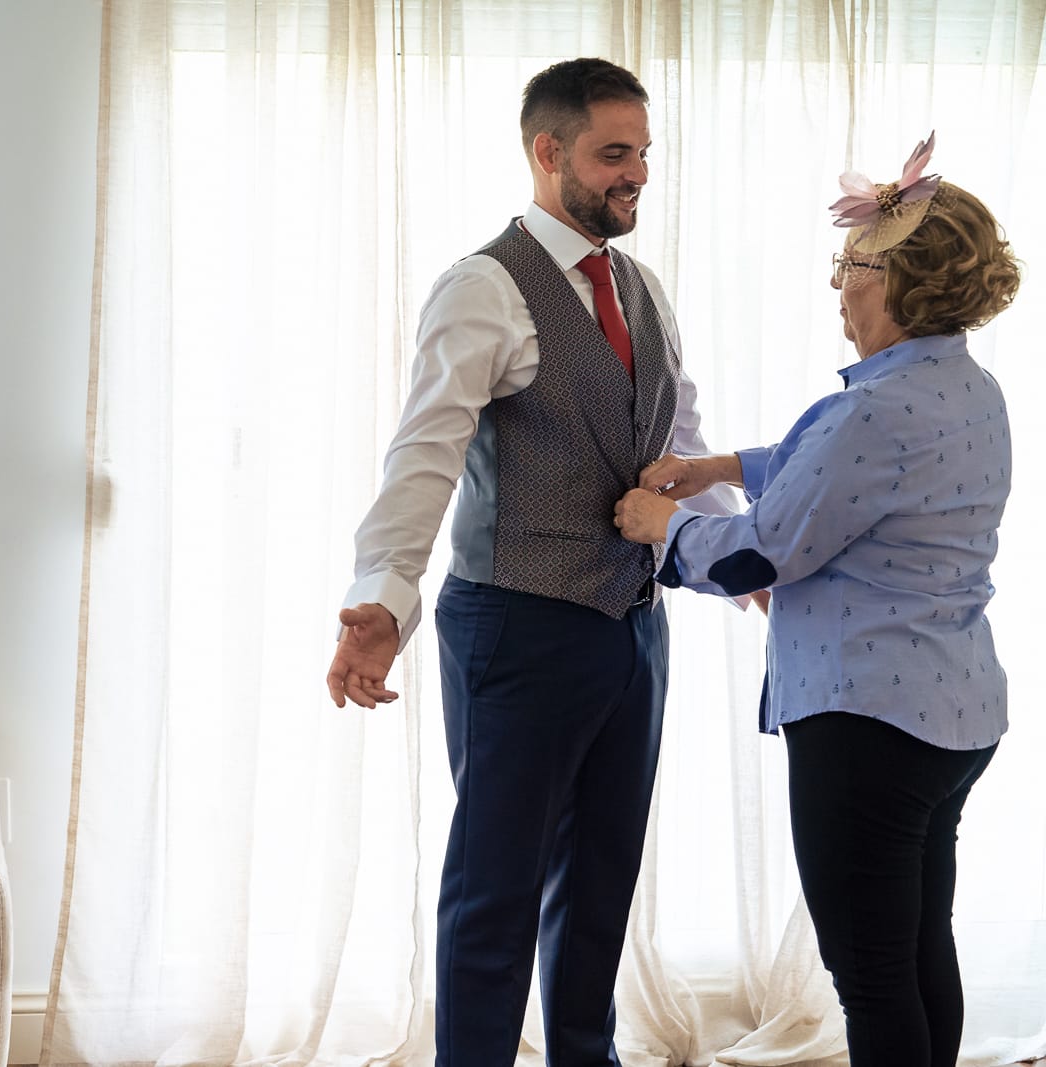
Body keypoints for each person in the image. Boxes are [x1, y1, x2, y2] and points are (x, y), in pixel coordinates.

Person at [325, 57, 740, 1066]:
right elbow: (422, 452)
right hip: (516, 623)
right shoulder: (482, 287)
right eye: (612, 153)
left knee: (599, 885)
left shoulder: (640, 287)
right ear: (545, 151)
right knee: (495, 889)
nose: (634, 173)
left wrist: (744, 555)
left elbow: (675, 439)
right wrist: (382, 597)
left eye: (642, 152)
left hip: (633, 630)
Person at [614, 133, 1019, 1066]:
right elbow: (838, 476)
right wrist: (719, 466)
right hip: (953, 716)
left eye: (854, 265)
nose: (839, 284)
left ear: (908, 281)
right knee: (920, 951)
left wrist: (657, 525)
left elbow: (763, 551)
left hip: (867, 723)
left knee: (872, 974)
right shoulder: (967, 387)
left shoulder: (871, 411)